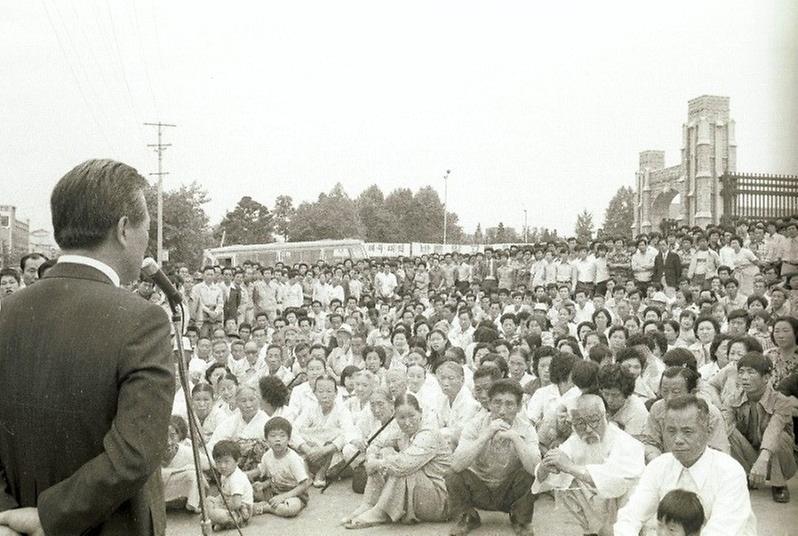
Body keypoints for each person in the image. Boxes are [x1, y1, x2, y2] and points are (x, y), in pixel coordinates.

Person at [0, 160, 174, 535]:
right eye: (147, 227)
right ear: (124, 229)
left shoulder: (5, 311)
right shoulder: (143, 320)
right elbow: (135, 454)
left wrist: (8, 511)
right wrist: (49, 516)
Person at [615, 395, 756, 536]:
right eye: (671, 431)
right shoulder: (658, 466)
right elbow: (630, 516)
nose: (678, 440)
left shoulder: (729, 471)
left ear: (707, 431)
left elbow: (721, 531)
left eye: (687, 431)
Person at [531, 394, 646, 535]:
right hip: (598, 509)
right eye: (580, 423)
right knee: (565, 485)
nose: (588, 429)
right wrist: (544, 467)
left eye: (593, 420)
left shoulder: (628, 444)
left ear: (607, 417)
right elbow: (549, 468)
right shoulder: (576, 441)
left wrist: (570, 467)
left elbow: (614, 482)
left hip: (624, 512)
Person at [446, 379, 541, 536]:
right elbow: (456, 465)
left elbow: (535, 471)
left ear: (518, 407)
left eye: (509, 404)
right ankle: (467, 516)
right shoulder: (475, 425)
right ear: (489, 404)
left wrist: (516, 439)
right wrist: (485, 436)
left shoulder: (526, 428)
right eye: (497, 403)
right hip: (480, 489)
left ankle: (521, 520)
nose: (502, 411)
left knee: (527, 474)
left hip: (508, 490)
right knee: (452, 474)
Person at [343, 393, 451, 529]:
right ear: (395, 417)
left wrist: (376, 464)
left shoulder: (428, 434)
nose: (407, 422)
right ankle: (369, 504)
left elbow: (404, 464)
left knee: (400, 466)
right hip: (420, 491)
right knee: (385, 452)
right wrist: (371, 458)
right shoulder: (402, 432)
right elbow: (377, 443)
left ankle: (380, 512)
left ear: (420, 413)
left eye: (412, 416)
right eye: (401, 417)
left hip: (440, 499)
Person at [722, 352, 796, 503]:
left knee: (780, 437)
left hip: (777, 458)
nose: (744, 377)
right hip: (749, 452)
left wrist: (762, 460)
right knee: (727, 433)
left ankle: (779, 484)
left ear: (766, 378)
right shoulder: (733, 399)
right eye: (741, 372)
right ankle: (745, 476)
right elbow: (723, 429)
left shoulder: (781, 401)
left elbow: (773, 430)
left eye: (751, 372)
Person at [640, 367, 729, 463]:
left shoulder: (710, 413)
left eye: (676, 392)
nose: (669, 398)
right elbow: (650, 442)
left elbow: (720, 451)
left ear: (692, 392)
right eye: (665, 391)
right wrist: (658, 462)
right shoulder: (657, 408)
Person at [249, 417, 311, 518]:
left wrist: (283, 497)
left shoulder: (292, 459)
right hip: (274, 490)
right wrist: (262, 485)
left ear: (289, 439)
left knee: (290, 509)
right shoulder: (267, 455)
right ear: (266, 440)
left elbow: (304, 484)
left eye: (282, 436)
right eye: (273, 436)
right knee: (251, 490)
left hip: (294, 494)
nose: (278, 439)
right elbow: (272, 476)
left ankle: (265, 508)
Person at [206, 440, 254, 531]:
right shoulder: (225, 474)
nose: (222, 466)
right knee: (208, 499)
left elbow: (236, 504)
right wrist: (217, 502)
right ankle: (218, 521)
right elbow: (224, 493)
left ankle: (219, 521)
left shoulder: (236, 479)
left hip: (241, 511)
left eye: (226, 461)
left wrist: (219, 508)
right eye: (218, 462)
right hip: (228, 504)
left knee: (216, 514)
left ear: (237, 461)